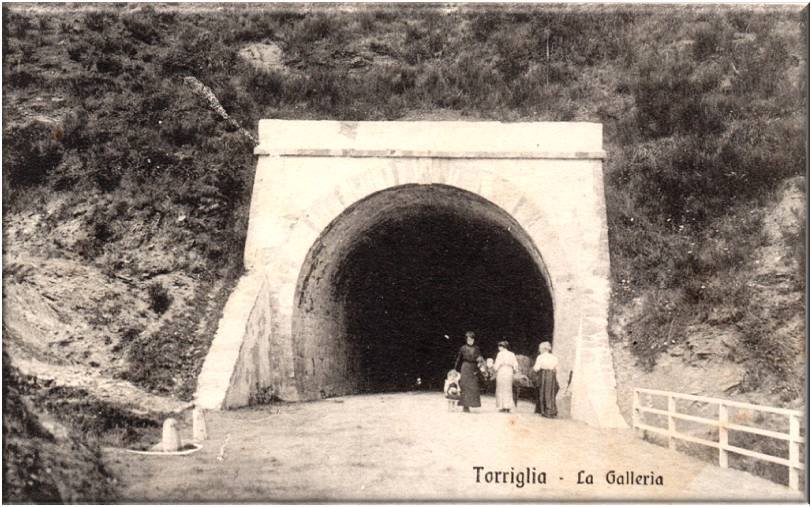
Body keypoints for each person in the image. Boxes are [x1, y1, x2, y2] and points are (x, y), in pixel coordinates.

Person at [454, 331, 483, 412]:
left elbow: (480, 359)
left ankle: (471, 404)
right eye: (468, 339)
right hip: (465, 367)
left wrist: (479, 366)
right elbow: (458, 359)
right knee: (465, 386)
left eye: (472, 339)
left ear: (474, 339)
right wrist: (455, 369)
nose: (470, 341)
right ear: (466, 339)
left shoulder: (477, 348)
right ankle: (465, 406)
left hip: (473, 368)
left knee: (473, 387)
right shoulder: (463, 348)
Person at [532, 341, 559, 418]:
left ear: (543, 349)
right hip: (552, 375)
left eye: (540, 348)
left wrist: (534, 371)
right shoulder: (554, 357)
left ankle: (544, 410)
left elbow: (536, 368)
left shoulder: (540, 357)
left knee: (543, 392)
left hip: (543, 375)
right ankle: (551, 411)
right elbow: (556, 368)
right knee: (550, 392)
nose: (539, 350)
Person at [492, 340, 519, 413]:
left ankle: (502, 406)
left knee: (501, 388)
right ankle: (507, 407)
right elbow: (515, 364)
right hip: (509, 371)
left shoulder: (500, 354)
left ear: (502, 347)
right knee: (508, 389)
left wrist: (494, 368)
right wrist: (514, 370)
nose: (498, 348)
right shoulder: (512, 354)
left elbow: (497, 365)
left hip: (502, 371)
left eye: (499, 347)